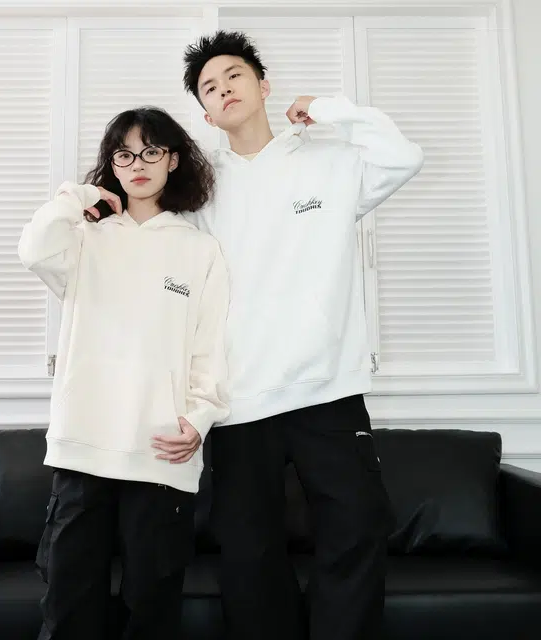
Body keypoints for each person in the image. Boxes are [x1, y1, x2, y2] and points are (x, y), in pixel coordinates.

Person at [158, 30, 424, 640]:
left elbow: (404, 157)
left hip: (328, 388)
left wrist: (329, 109)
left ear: (263, 86)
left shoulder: (330, 163)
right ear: (206, 113)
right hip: (239, 397)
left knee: (357, 528)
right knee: (248, 551)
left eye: (234, 75)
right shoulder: (200, 189)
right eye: (210, 87)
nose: (224, 88)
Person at [18, 106, 230, 640]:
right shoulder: (86, 238)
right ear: (111, 165)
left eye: (151, 152)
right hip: (83, 446)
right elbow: (33, 249)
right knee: (69, 605)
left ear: (173, 160)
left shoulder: (199, 248)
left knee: (151, 607)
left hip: (161, 451)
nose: (138, 164)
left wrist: (200, 418)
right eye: (124, 154)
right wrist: (77, 196)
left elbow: (210, 348)